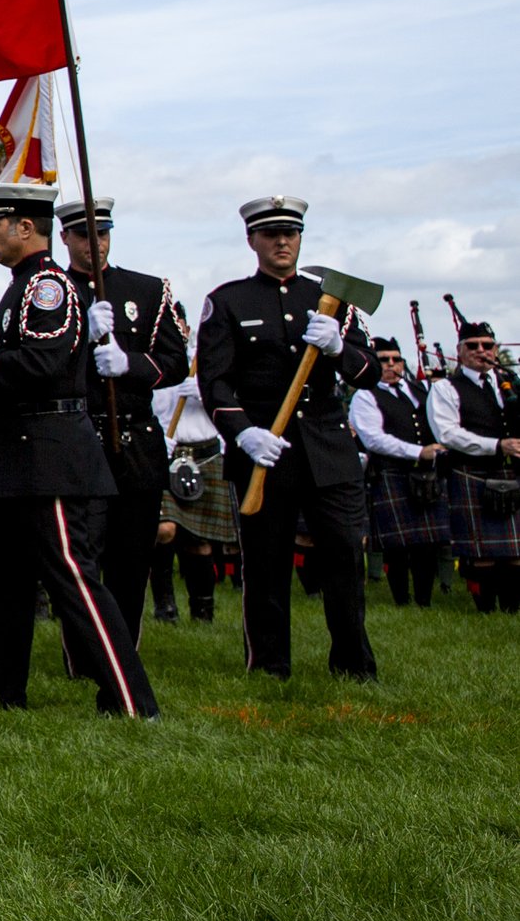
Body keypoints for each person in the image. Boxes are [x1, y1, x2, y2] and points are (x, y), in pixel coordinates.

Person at [0, 182, 155, 717]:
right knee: (0, 578)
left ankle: (128, 698)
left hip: (50, 456)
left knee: (73, 578)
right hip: (16, 452)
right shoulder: (19, 288)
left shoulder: (49, 287)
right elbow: (15, 385)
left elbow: (41, 367)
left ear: (26, 227)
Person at [197, 195, 381, 679]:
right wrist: (244, 434)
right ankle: (269, 665)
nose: (282, 241)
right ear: (252, 239)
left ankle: (354, 664)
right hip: (265, 449)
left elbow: (370, 373)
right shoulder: (229, 300)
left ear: (301, 238)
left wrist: (340, 348)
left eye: (291, 233)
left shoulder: (333, 300)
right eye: (271, 234)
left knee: (343, 557)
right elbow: (214, 382)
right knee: (265, 564)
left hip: (327, 447)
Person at [58, 197, 190, 647]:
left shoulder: (148, 290)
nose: (94, 244)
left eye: (102, 233)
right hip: (79, 434)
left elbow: (175, 362)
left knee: (132, 553)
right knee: (83, 552)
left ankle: (124, 647)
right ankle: (82, 650)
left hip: (136, 438)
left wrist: (129, 365)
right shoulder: (52, 290)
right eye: (83, 235)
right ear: (65, 238)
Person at [426, 319, 520, 613]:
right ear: (460, 350)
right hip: (472, 473)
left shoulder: (510, 384)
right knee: (483, 553)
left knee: (516, 551)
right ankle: (485, 608)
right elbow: (447, 434)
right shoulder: (446, 389)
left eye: (487, 345)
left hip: (513, 472)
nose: (481, 351)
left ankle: (512, 607)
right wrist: (496, 445)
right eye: (473, 346)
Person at [353, 337, 450, 608]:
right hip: (391, 473)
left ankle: (424, 600)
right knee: (397, 546)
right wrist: (418, 451)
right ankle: (401, 600)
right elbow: (374, 439)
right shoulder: (365, 395)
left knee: (428, 542)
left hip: (428, 475)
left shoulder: (420, 389)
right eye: (384, 360)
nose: (392, 365)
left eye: (396, 359)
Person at [155, 318, 240, 621]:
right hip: (166, 452)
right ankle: (164, 603)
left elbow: (237, 400)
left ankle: (202, 610)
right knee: (164, 530)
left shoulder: (210, 360)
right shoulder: (155, 361)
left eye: (180, 326)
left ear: (188, 330)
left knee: (200, 540)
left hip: (204, 453)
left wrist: (207, 392)